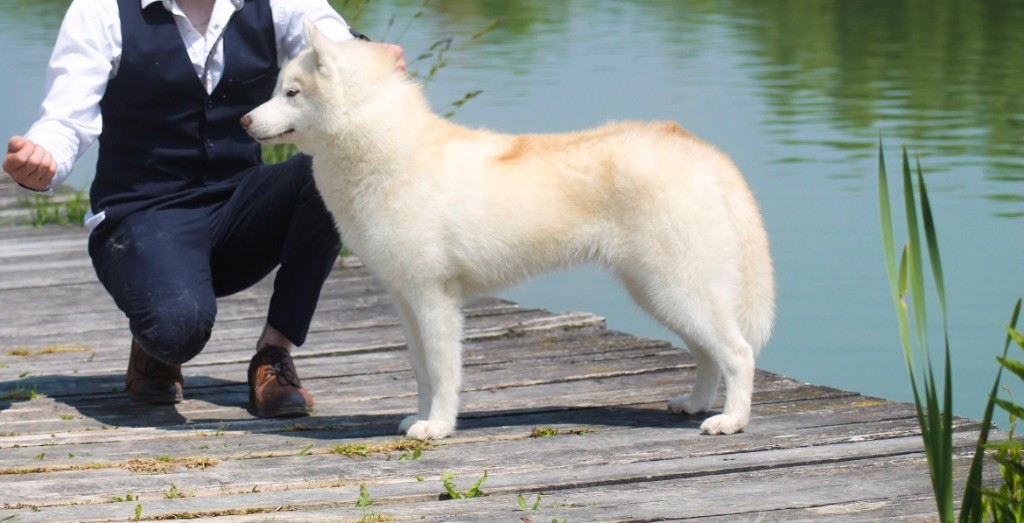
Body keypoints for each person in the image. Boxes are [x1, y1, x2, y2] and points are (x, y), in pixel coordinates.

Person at [2, 0, 404, 418]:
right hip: (142, 213)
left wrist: (372, 59)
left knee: (327, 170)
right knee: (176, 329)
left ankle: (274, 353)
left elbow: (338, 51)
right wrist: (41, 161)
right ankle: (153, 340)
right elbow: (66, 121)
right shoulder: (101, 11)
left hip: (239, 207)